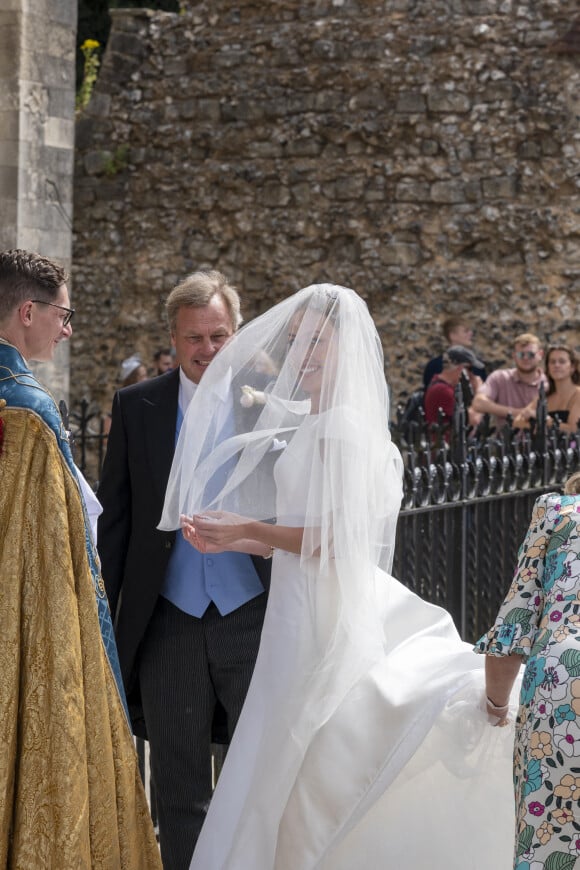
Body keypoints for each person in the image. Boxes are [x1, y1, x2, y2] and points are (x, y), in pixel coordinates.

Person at [160, 283, 518, 869]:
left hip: (322, 611)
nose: (302, 353)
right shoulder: (312, 423)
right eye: (297, 340)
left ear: (344, 345)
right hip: (295, 605)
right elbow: (307, 535)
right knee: (284, 750)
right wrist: (238, 535)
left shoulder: (345, 427)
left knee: (310, 750)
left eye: (315, 342)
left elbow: (337, 539)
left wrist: (250, 526)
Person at [97, 270, 272, 870]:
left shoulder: (269, 406)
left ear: (238, 333)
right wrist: (106, 617)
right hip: (166, 622)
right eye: (194, 337)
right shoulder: (137, 405)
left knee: (259, 774)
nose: (207, 350)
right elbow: (115, 523)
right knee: (178, 784)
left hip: (253, 617)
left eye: (219, 335)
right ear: (172, 339)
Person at [0, 249, 161, 868]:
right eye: (64, 315)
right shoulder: (31, 410)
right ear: (28, 311)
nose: (68, 330)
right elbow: (55, 544)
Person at [476, 471, 580, 868]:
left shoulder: (556, 511)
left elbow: (514, 624)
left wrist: (496, 705)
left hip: (561, 682)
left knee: (551, 842)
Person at [471, 332, 548, 430]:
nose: (525, 358)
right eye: (521, 354)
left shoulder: (549, 382)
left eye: (530, 354)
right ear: (514, 355)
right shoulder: (500, 378)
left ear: (540, 354)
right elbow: (478, 403)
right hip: (506, 441)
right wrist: (518, 413)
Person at [512, 343, 580, 433]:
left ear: (572, 367)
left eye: (562, 361)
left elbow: (573, 430)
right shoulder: (544, 396)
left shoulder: (577, 395)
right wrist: (538, 426)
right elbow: (517, 421)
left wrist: (543, 419)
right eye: (552, 362)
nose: (556, 365)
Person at [423, 344, 484, 428]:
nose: (472, 374)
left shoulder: (442, 385)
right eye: (470, 369)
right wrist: (479, 391)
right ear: (461, 368)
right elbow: (473, 420)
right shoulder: (442, 390)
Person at [423, 315, 486, 387]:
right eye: (466, 331)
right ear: (452, 335)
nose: (471, 333)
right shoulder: (435, 366)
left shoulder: (477, 366)